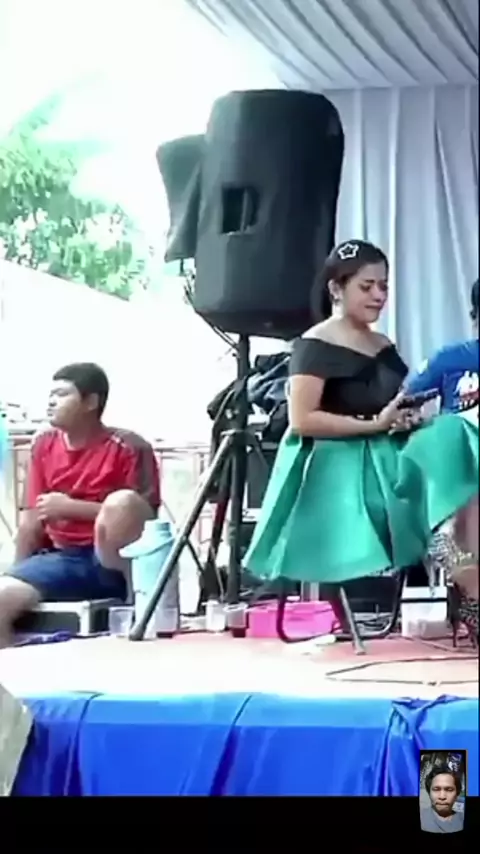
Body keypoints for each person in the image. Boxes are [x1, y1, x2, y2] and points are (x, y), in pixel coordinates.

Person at [242, 240, 479, 596]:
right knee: (452, 444)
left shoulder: (381, 343)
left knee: (454, 434)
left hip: (389, 448)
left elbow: (398, 401)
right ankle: (452, 555)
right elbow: (302, 420)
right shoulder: (315, 344)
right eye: (367, 287)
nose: (378, 296)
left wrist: (405, 418)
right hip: (344, 462)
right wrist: (375, 425)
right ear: (336, 289)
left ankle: (455, 552)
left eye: (383, 286)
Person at [0, 362, 160, 647]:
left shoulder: (129, 446)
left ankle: (135, 600)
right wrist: (18, 573)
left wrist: (71, 508)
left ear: (91, 402)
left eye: (62, 394)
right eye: (50, 394)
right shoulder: (44, 445)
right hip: (63, 560)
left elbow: (146, 520)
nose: (51, 402)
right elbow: (31, 520)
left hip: (113, 562)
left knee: (121, 502)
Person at [405, 279, 479, 645]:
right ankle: (474, 598)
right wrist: (419, 422)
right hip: (457, 475)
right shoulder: (452, 358)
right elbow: (404, 402)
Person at [420, 765, 464, 833]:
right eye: (436, 789)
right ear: (429, 792)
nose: (442, 796)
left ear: (456, 794)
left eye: (449, 790)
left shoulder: (462, 819)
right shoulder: (421, 817)